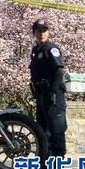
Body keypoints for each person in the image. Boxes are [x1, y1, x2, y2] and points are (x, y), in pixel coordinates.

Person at [29, 19, 67, 158]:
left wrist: (53, 91)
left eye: (44, 31)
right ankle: (46, 162)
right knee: (43, 129)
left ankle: (58, 161)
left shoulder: (52, 49)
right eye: (39, 31)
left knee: (56, 128)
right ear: (34, 33)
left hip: (53, 94)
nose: (42, 34)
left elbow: (58, 71)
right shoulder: (36, 50)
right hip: (41, 94)